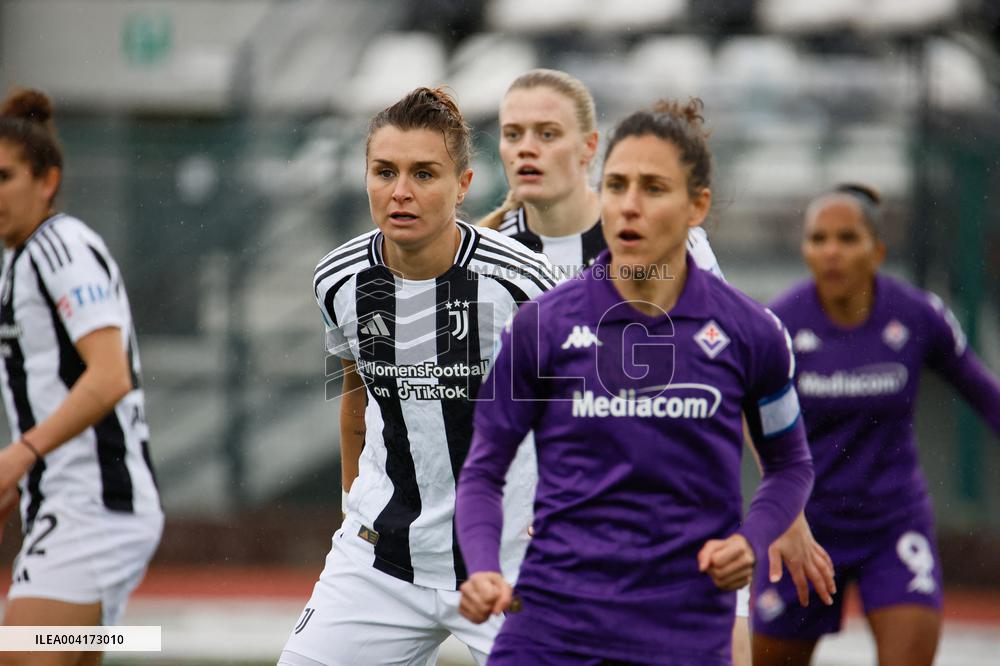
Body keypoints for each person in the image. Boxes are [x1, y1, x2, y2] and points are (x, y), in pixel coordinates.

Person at [479, 68, 834, 664]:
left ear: (589, 147)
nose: (526, 148)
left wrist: (786, 516)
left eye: (546, 133)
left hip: (680, 525)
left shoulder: (665, 240)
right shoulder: (485, 256)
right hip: (546, 533)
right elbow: (497, 415)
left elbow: (726, 369)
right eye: (513, 134)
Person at [279, 87, 557, 666]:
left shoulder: (524, 284)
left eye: (424, 174)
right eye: (385, 172)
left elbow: (583, 410)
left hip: (513, 564)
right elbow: (356, 402)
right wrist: (352, 504)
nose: (400, 191)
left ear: (463, 185)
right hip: (380, 562)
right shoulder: (338, 280)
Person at [751, 184, 1000, 666]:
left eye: (847, 238)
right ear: (804, 249)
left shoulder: (917, 315)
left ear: (877, 251)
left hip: (893, 523)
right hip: (805, 526)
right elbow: (748, 414)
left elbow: (985, 395)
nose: (832, 252)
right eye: (818, 239)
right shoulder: (778, 325)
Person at [0, 88, 162, 665]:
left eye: (5, 177)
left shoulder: (60, 247)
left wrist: (20, 455)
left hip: (94, 508)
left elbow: (110, 375)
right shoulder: (21, 259)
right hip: (70, 504)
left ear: (47, 181)